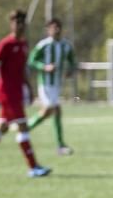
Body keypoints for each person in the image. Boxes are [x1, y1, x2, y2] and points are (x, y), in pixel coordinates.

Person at [0, 9, 51, 178]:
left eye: (22, 22)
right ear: (11, 24)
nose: (19, 25)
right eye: (16, 22)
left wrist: (29, 88)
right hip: (7, 93)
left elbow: (22, 69)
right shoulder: (5, 44)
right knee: (22, 126)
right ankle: (33, 167)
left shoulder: (23, 44)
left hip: (16, 92)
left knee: (2, 127)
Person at [27, 18, 76, 155]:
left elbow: (72, 60)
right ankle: (60, 145)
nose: (56, 30)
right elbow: (31, 61)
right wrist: (44, 67)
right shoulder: (43, 45)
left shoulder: (66, 45)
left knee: (48, 112)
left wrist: (70, 70)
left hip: (57, 84)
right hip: (45, 83)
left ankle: (25, 129)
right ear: (48, 30)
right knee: (55, 109)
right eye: (53, 28)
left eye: (58, 27)